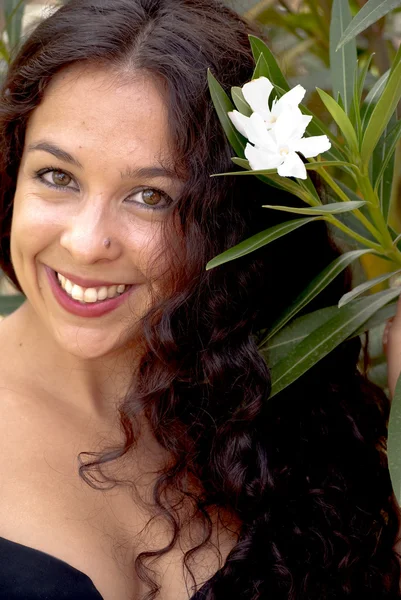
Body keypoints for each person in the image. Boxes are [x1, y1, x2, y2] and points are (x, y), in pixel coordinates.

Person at [0, 0, 399, 599]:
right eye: (58, 177)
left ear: (231, 223)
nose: (86, 243)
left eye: (152, 197)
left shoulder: (283, 408)